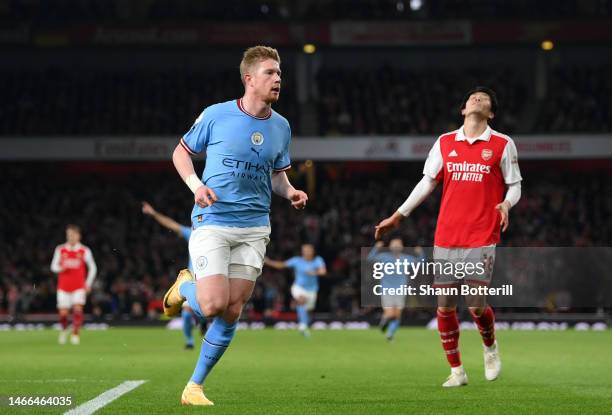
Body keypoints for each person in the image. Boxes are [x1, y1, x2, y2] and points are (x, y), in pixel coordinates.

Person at [161, 45, 308, 406]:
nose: (278, 79)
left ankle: (194, 387)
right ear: (249, 79)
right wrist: (197, 187)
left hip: (255, 227)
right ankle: (184, 286)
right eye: (270, 73)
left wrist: (290, 192)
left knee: (232, 309)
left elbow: (277, 176)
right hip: (213, 221)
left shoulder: (282, 126)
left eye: (280, 74)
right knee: (211, 305)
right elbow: (180, 152)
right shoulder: (216, 115)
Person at [375, 87, 522, 387]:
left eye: (484, 99)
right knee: (444, 305)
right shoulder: (444, 143)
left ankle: (490, 348)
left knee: (476, 304)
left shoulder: (502, 144)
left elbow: (515, 185)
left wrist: (506, 203)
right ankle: (457, 371)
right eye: (472, 98)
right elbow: (427, 183)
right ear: (463, 109)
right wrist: (398, 215)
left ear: (491, 112)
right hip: (447, 235)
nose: (477, 100)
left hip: (481, 234)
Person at [142, 201, 206, 349]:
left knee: (205, 311)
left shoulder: (217, 235)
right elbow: (172, 224)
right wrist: (154, 214)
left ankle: (202, 322)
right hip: (192, 279)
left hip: (209, 279)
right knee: (186, 313)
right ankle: (189, 342)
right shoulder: (193, 233)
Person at [264, 243, 327, 337]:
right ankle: (302, 326)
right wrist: (268, 262)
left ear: (312, 251)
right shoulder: (297, 261)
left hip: (312, 290)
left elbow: (323, 271)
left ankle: (304, 322)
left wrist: (313, 272)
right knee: (301, 300)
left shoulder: (318, 260)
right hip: (298, 287)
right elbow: (281, 265)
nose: (306, 252)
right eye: (304, 251)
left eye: (308, 250)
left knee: (308, 310)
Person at [367, 239, 423, 341]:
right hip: (387, 289)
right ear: (390, 247)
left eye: (398, 244)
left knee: (397, 315)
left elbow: (421, 264)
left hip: (401, 290)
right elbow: (370, 259)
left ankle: (390, 334)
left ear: (402, 247)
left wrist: (420, 253)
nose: (396, 246)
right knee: (390, 313)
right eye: (394, 244)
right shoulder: (384, 257)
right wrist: (376, 248)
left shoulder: (407, 259)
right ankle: (384, 322)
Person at [50, 224, 97, 345]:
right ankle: (64, 330)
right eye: (68, 235)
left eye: (72, 235)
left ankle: (75, 334)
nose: (70, 237)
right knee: (63, 314)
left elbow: (93, 267)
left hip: (78, 287)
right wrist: (61, 268)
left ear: (78, 236)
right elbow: (53, 266)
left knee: (77, 310)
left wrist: (88, 284)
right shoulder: (60, 249)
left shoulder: (84, 250)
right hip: (63, 287)